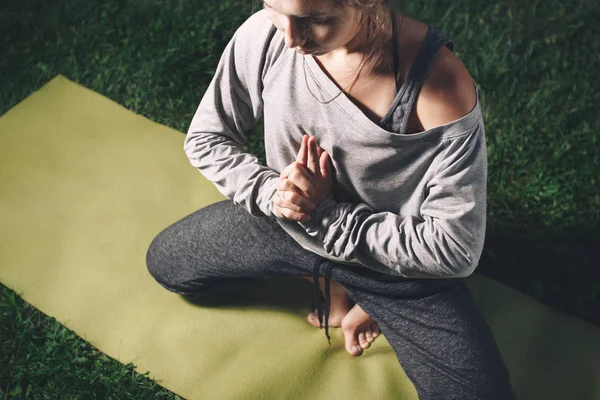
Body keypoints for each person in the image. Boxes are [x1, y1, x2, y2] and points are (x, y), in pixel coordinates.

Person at [146, 0, 516, 398]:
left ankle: (362, 293)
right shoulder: (268, 34)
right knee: (166, 265)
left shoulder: (439, 83)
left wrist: (324, 216)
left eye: (318, 20)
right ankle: (330, 281)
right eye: (273, 7)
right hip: (286, 226)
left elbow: (455, 250)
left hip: (391, 270)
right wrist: (276, 195)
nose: (290, 37)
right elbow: (206, 139)